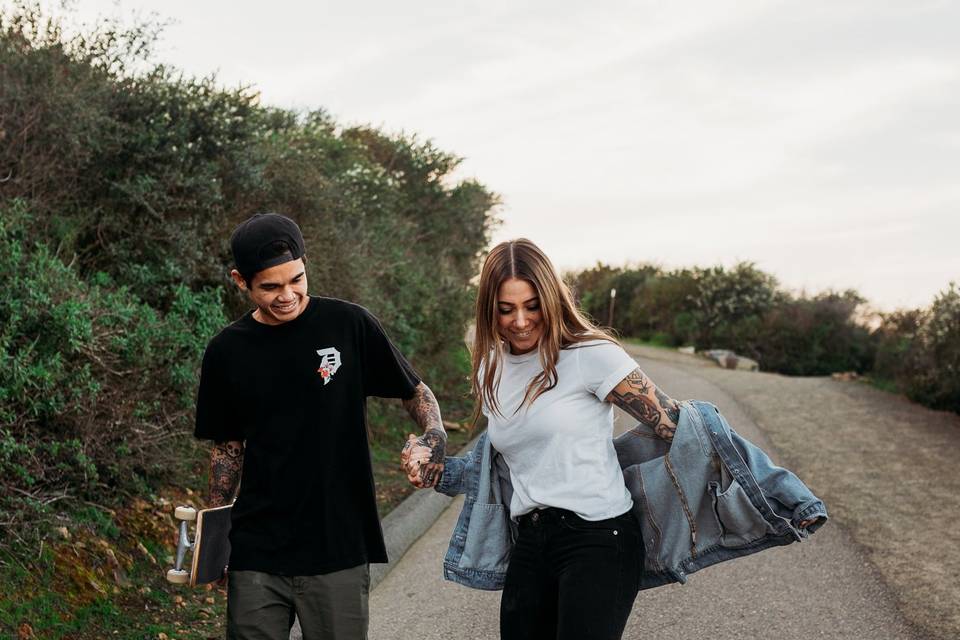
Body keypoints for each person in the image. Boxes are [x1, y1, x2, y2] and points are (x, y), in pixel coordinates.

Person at [402, 238, 818, 640]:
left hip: (598, 539)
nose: (521, 321)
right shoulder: (491, 368)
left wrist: (779, 491)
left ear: (551, 299)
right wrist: (434, 468)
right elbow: (504, 466)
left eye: (532, 306)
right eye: (506, 309)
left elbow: (688, 430)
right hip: (531, 540)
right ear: (489, 309)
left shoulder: (590, 356)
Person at [195, 212, 446, 640]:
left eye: (296, 279)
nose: (288, 295)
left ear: (306, 264)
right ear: (241, 281)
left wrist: (434, 433)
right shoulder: (225, 351)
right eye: (270, 287)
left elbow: (415, 390)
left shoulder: (349, 325)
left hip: (338, 543)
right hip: (258, 546)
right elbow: (227, 449)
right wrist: (217, 540)